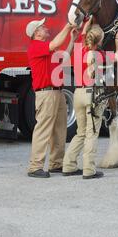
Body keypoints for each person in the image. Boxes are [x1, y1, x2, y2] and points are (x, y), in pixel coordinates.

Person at [63, 19, 118, 180]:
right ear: (99, 40)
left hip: (78, 93)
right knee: (92, 133)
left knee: (80, 132)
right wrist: (117, 40)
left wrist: (87, 23)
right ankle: (89, 169)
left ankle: (68, 164)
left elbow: (84, 34)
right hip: (93, 96)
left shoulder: (80, 50)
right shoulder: (100, 55)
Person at [26, 18, 78, 179]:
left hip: (57, 92)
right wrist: (68, 26)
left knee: (59, 130)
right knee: (43, 130)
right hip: (47, 93)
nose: (46, 28)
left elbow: (65, 57)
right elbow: (55, 44)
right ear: (36, 33)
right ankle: (35, 167)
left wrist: (72, 39)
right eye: (43, 27)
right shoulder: (36, 47)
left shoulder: (47, 50)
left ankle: (56, 163)